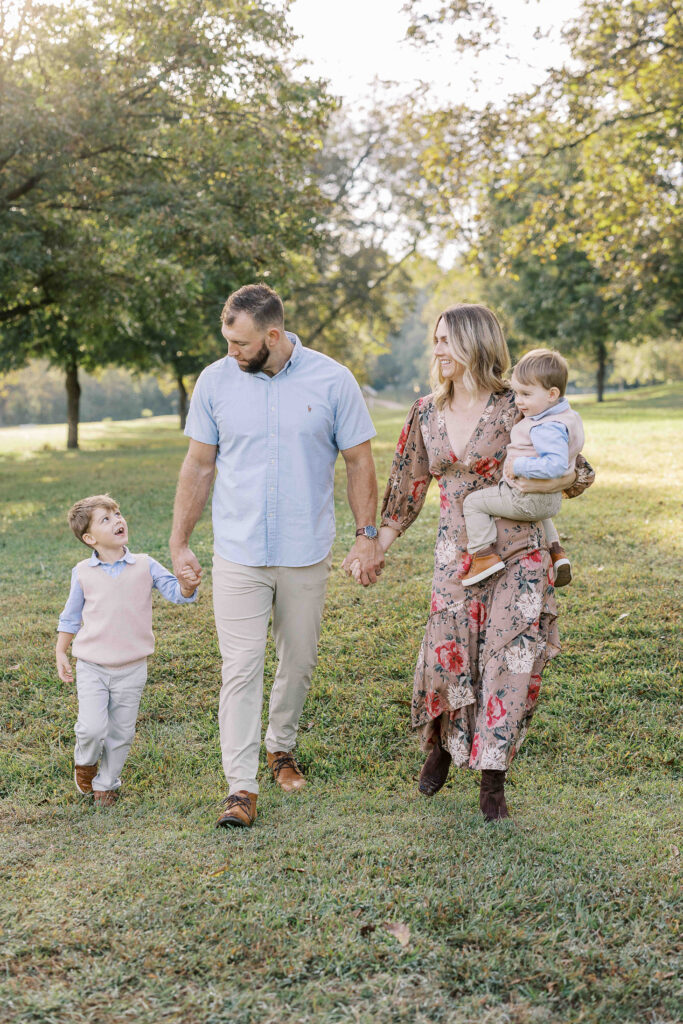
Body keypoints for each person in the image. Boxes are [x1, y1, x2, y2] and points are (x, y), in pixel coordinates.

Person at [353, 304, 593, 822]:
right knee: (447, 654)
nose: (436, 350)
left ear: (475, 344)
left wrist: (552, 481)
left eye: (446, 340)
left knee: (511, 662)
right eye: (434, 340)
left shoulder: (517, 405)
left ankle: (492, 781)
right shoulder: (424, 412)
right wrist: (375, 545)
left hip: (519, 554)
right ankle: (439, 744)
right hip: (454, 556)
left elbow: (578, 471)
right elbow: (406, 492)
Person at [170, 283, 384, 829]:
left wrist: (366, 534)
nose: (230, 351)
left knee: (299, 661)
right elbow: (198, 465)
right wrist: (179, 541)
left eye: (240, 342)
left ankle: (280, 746)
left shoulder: (333, 379)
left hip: (305, 550)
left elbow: (359, 461)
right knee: (240, 668)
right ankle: (240, 787)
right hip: (239, 550)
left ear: (272, 334)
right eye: (226, 338)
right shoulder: (216, 381)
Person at [56, 494, 200, 807]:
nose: (118, 520)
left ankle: (107, 784)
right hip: (93, 665)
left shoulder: (145, 565)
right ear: (90, 538)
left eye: (117, 513)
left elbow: (177, 592)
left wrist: (187, 585)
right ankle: (86, 762)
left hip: (132, 667)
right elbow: (70, 616)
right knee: (91, 727)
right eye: (106, 519)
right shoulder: (82, 572)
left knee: (121, 731)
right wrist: (61, 651)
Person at [461, 348, 584, 587]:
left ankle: (483, 555)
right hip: (549, 502)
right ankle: (556, 551)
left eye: (526, 394)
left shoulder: (546, 427)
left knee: (473, 502)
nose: (518, 401)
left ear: (552, 394)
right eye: (517, 393)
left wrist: (519, 465)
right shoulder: (568, 416)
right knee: (541, 512)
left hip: (525, 498)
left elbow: (555, 464)